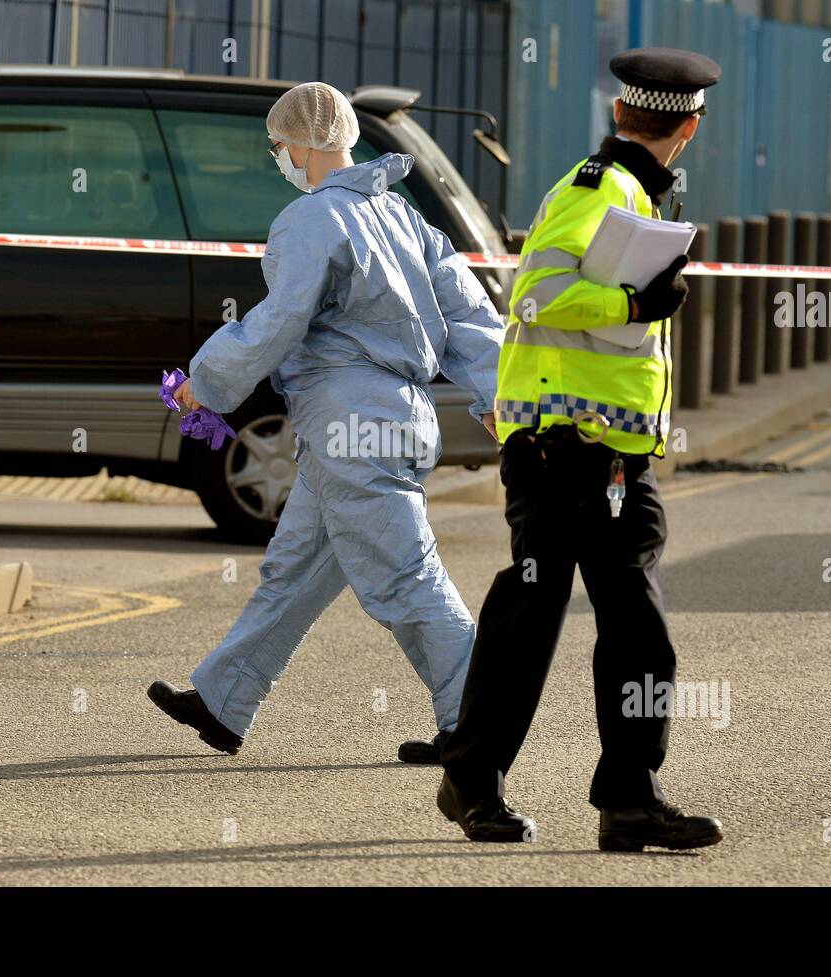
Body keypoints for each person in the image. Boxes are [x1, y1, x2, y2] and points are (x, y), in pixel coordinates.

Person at [149, 82, 503, 764]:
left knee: (406, 577)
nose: (278, 158)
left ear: (304, 146)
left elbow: (277, 324)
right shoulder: (405, 219)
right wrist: (497, 397)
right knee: (295, 567)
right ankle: (225, 699)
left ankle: (475, 723)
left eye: (278, 146)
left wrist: (206, 381)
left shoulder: (308, 221)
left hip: (349, 422)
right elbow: (470, 316)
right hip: (394, 418)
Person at [437, 48, 726, 849]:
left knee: (625, 627)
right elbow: (535, 295)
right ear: (690, 126)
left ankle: (625, 797)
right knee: (540, 618)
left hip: (606, 452)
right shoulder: (598, 191)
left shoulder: (627, 194)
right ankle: (477, 777)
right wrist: (633, 297)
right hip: (565, 449)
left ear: (622, 113)